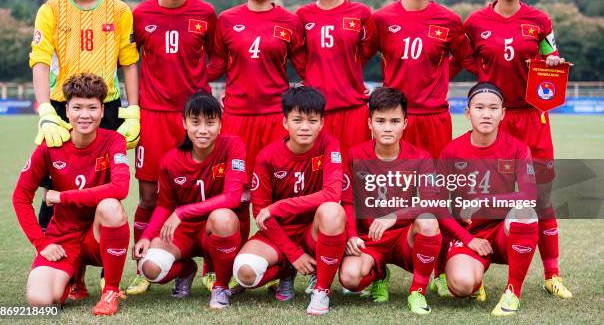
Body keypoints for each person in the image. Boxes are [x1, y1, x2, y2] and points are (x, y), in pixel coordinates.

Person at [460, 0, 571, 299]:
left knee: (540, 198)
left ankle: (552, 274)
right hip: (493, 120)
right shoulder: (475, 23)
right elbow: (463, 62)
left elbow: (551, 57)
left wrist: (553, 64)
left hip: (532, 119)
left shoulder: (540, 20)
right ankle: (475, 276)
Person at [29, 0, 139, 238]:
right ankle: (49, 253)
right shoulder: (50, 10)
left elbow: (129, 61)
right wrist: (45, 110)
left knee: (106, 186)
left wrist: (133, 110)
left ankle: (107, 266)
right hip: (63, 109)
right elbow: (39, 60)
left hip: (108, 107)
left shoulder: (119, 10)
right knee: (56, 184)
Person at [128, 0, 217, 295]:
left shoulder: (206, 13)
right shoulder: (140, 14)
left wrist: (203, 95)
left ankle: (211, 267)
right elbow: (128, 60)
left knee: (204, 194)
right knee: (149, 197)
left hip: (195, 121)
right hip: (153, 117)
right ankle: (142, 266)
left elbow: (220, 58)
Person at [13, 73, 130, 316]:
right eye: (77, 107)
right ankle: (74, 275)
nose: (84, 115)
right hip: (63, 237)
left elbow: (121, 188)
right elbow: (20, 196)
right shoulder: (50, 145)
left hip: (98, 236)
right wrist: (41, 243)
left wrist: (62, 197)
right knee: (40, 301)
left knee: (111, 206)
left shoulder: (114, 140)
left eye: (92, 108)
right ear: (66, 110)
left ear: (101, 111)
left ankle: (110, 290)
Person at [232, 87, 346, 316]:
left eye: (312, 120)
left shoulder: (329, 145)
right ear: (285, 122)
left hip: (313, 231)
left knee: (333, 211)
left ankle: (322, 290)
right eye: (297, 120)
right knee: (245, 272)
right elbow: (260, 214)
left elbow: (333, 193)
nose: (305, 127)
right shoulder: (267, 157)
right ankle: (286, 271)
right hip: (279, 233)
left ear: (322, 123)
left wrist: (279, 206)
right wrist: (293, 254)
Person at [133, 91, 247, 309]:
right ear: (184, 122)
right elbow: (164, 205)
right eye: (195, 122)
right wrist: (147, 236)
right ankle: (186, 269)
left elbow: (233, 198)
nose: (203, 130)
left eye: (210, 123)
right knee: (150, 268)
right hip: (183, 232)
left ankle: (221, 286)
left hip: (217, 230)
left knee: (222, 217)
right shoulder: (170, 161)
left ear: (221, 125)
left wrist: (182, 212)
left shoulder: (233, 146)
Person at [437, 82, 540, 316]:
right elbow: (439, 207)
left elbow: (529, 195)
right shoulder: (451, 152)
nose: (486, 114)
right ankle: (475, 278)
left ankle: (512, 292)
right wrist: (467, 238)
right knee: (462, 285)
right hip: (469, 235)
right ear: (467, 113)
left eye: (493, 108)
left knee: (525, 211)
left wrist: (484, 201)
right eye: (479, 107)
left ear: (503, 113)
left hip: (503, 233)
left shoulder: (517, 149)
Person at [339, 87, 442, 315]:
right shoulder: (356, 155)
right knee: (349, 278)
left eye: (395, 121)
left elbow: (432, 202)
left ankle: (417, 291)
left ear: (405, 123)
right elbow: (347, 202)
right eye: (380, 121)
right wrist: (353, 235)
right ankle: (379, 274)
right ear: (369, 123)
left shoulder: (420, 157)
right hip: (369, 240)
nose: (387, 128)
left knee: (428, 222)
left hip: (403, 238)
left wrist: (394, 216)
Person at [368, 0, 474, 159]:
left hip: (434, 118)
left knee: (435, 187)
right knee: (395, 186)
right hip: (393, 116)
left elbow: (466, 59)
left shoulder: (449, 21)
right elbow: (358, 57)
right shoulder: (381, 19)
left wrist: (439, 76)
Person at [207, 0, 306, 179]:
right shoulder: (227, 19)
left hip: (276, 116)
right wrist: (185, 81)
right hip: (237, 116)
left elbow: (305, 69)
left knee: (279, 185)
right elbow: (217, 66)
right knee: (236, 189)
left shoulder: (290, 21)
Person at [296, 0, 374, 157]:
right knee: (318, 178)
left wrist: (351, 76)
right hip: (315, 112)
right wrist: (314, 78)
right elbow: (299, 59)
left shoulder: (361, 13)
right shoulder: (302, 16)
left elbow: (366, 53)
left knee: (356, 176)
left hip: (353, 109)